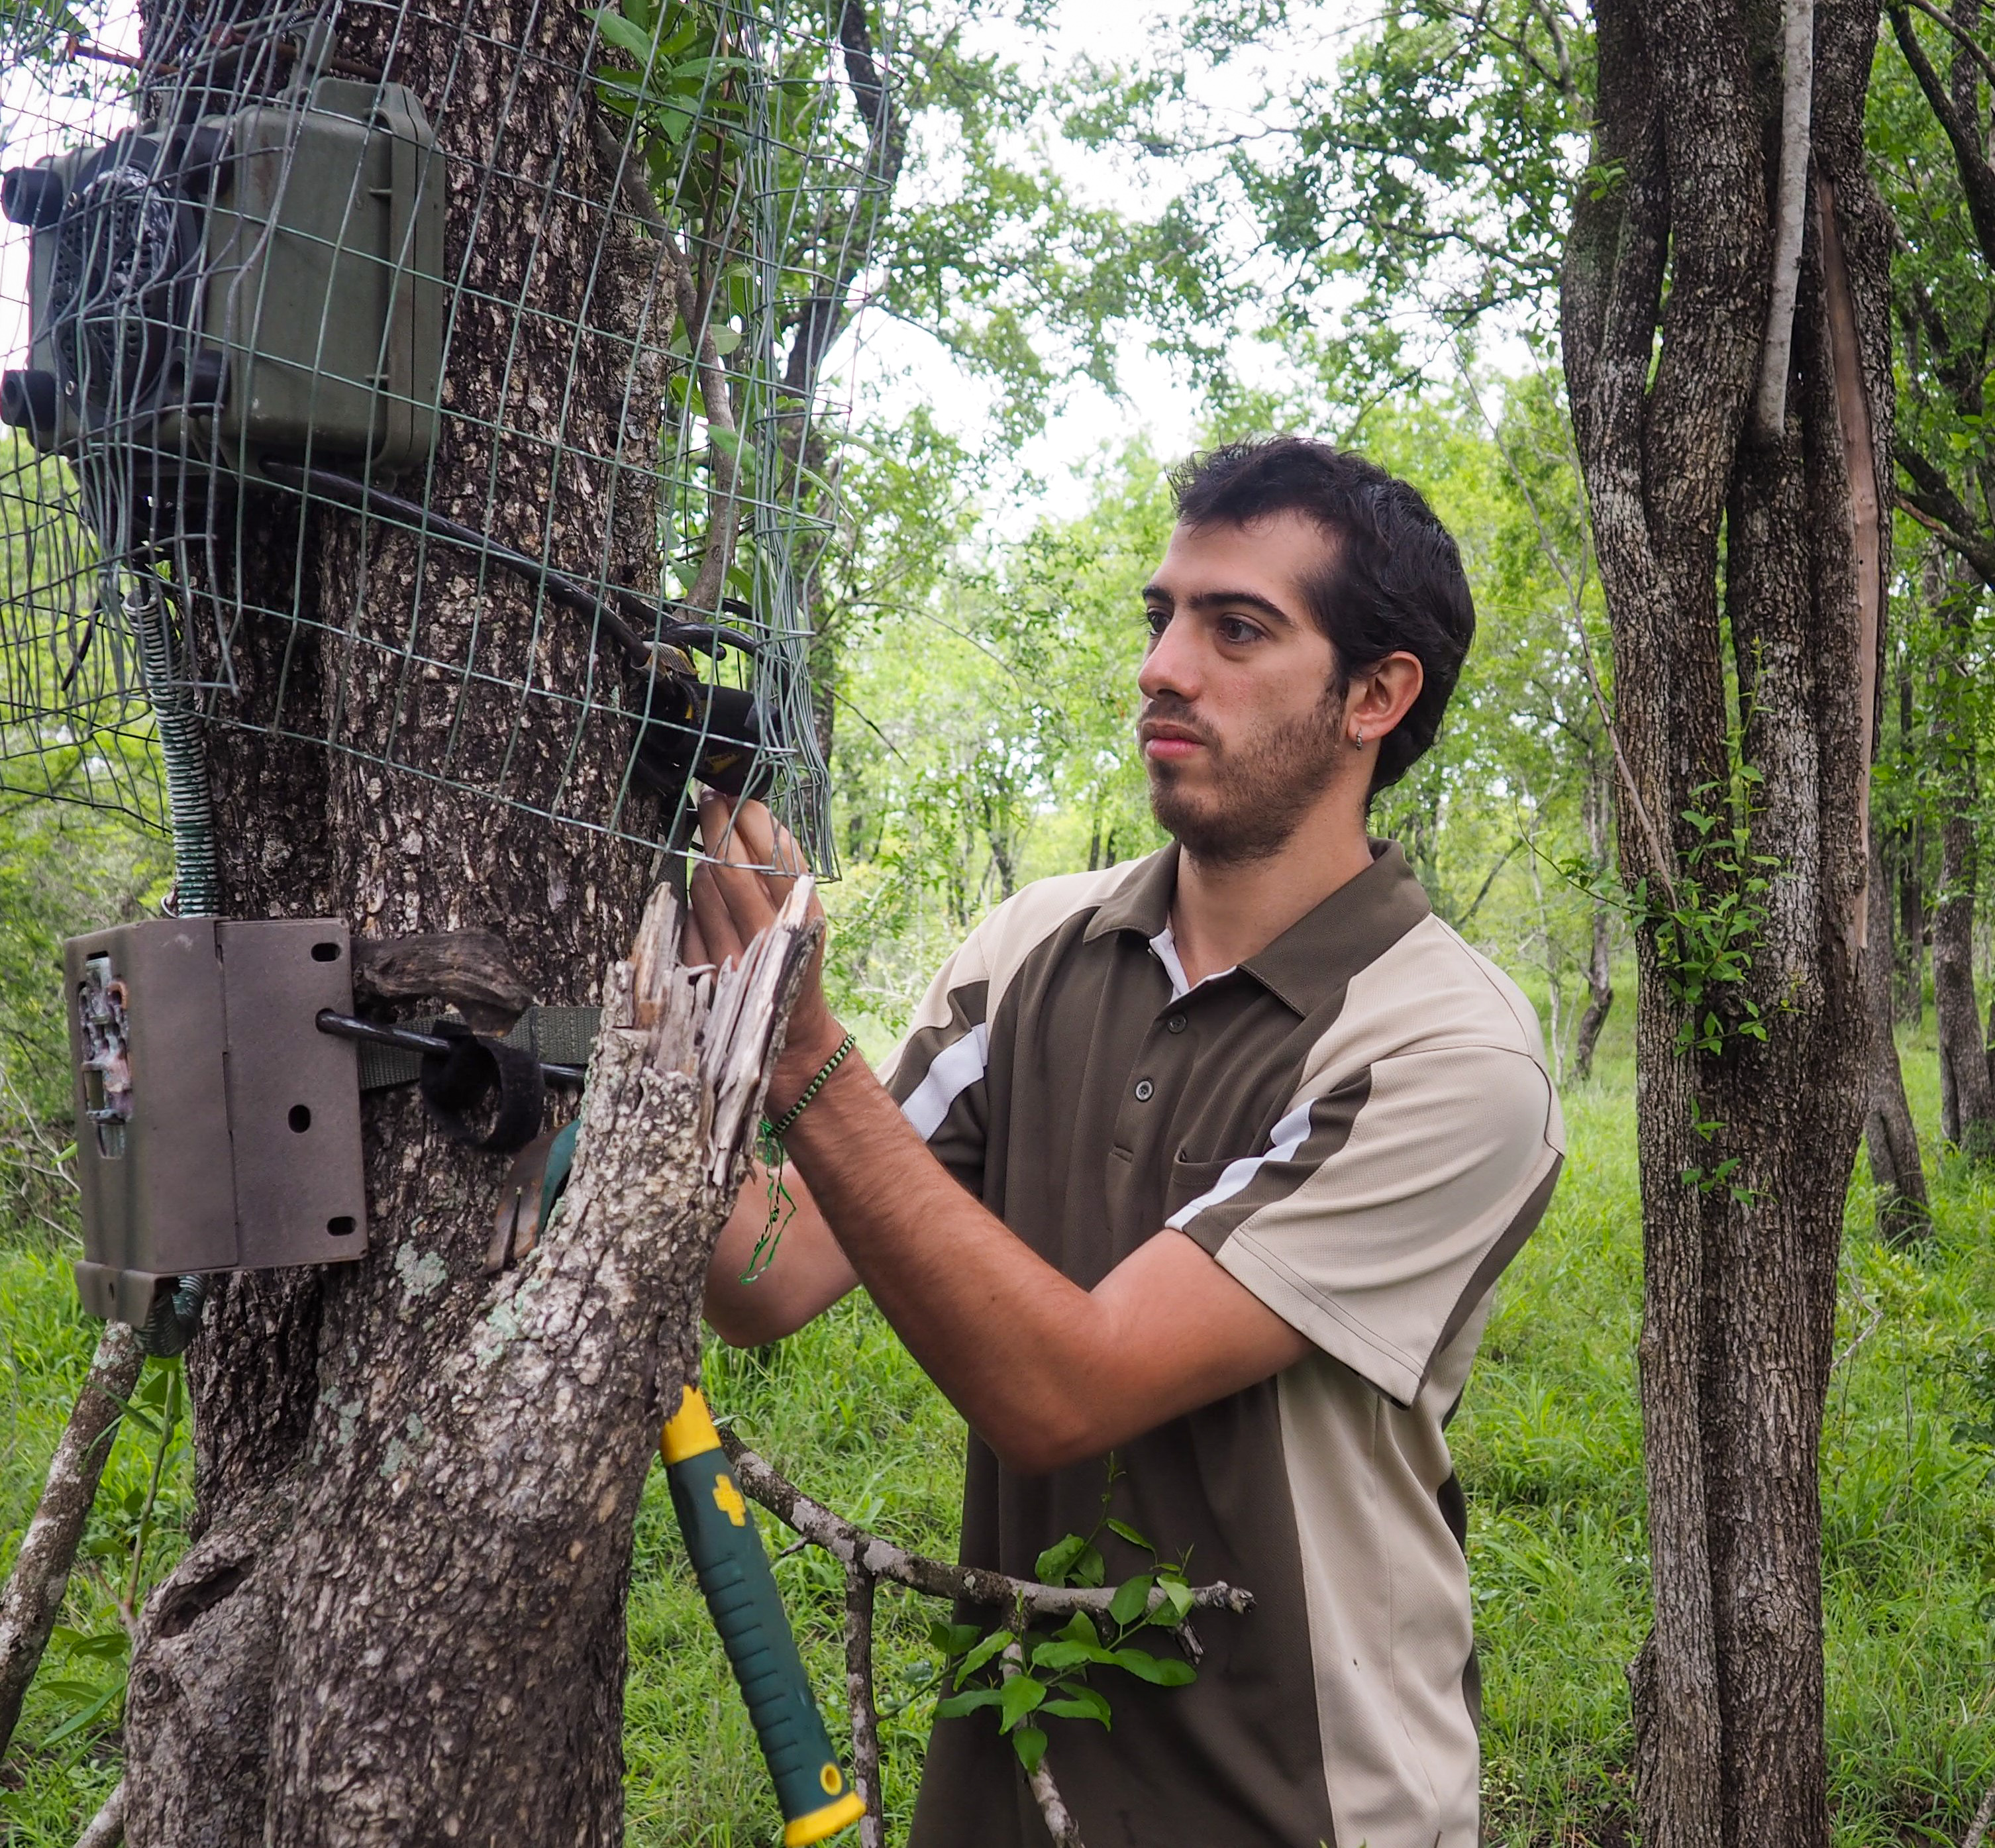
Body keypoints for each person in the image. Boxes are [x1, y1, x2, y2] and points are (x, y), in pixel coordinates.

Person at [688, 436, 1564, 1848]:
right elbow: (764, 1277)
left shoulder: (1442, 1049)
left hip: (1304, 1800)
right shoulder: (1036, 950)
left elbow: (1065, 1393)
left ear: (1377, 695)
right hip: (1011, 1780)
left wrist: (802, 1054)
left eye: (1237, 629)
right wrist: (674, 1001)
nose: (1165, 665)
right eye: (1161, 618)